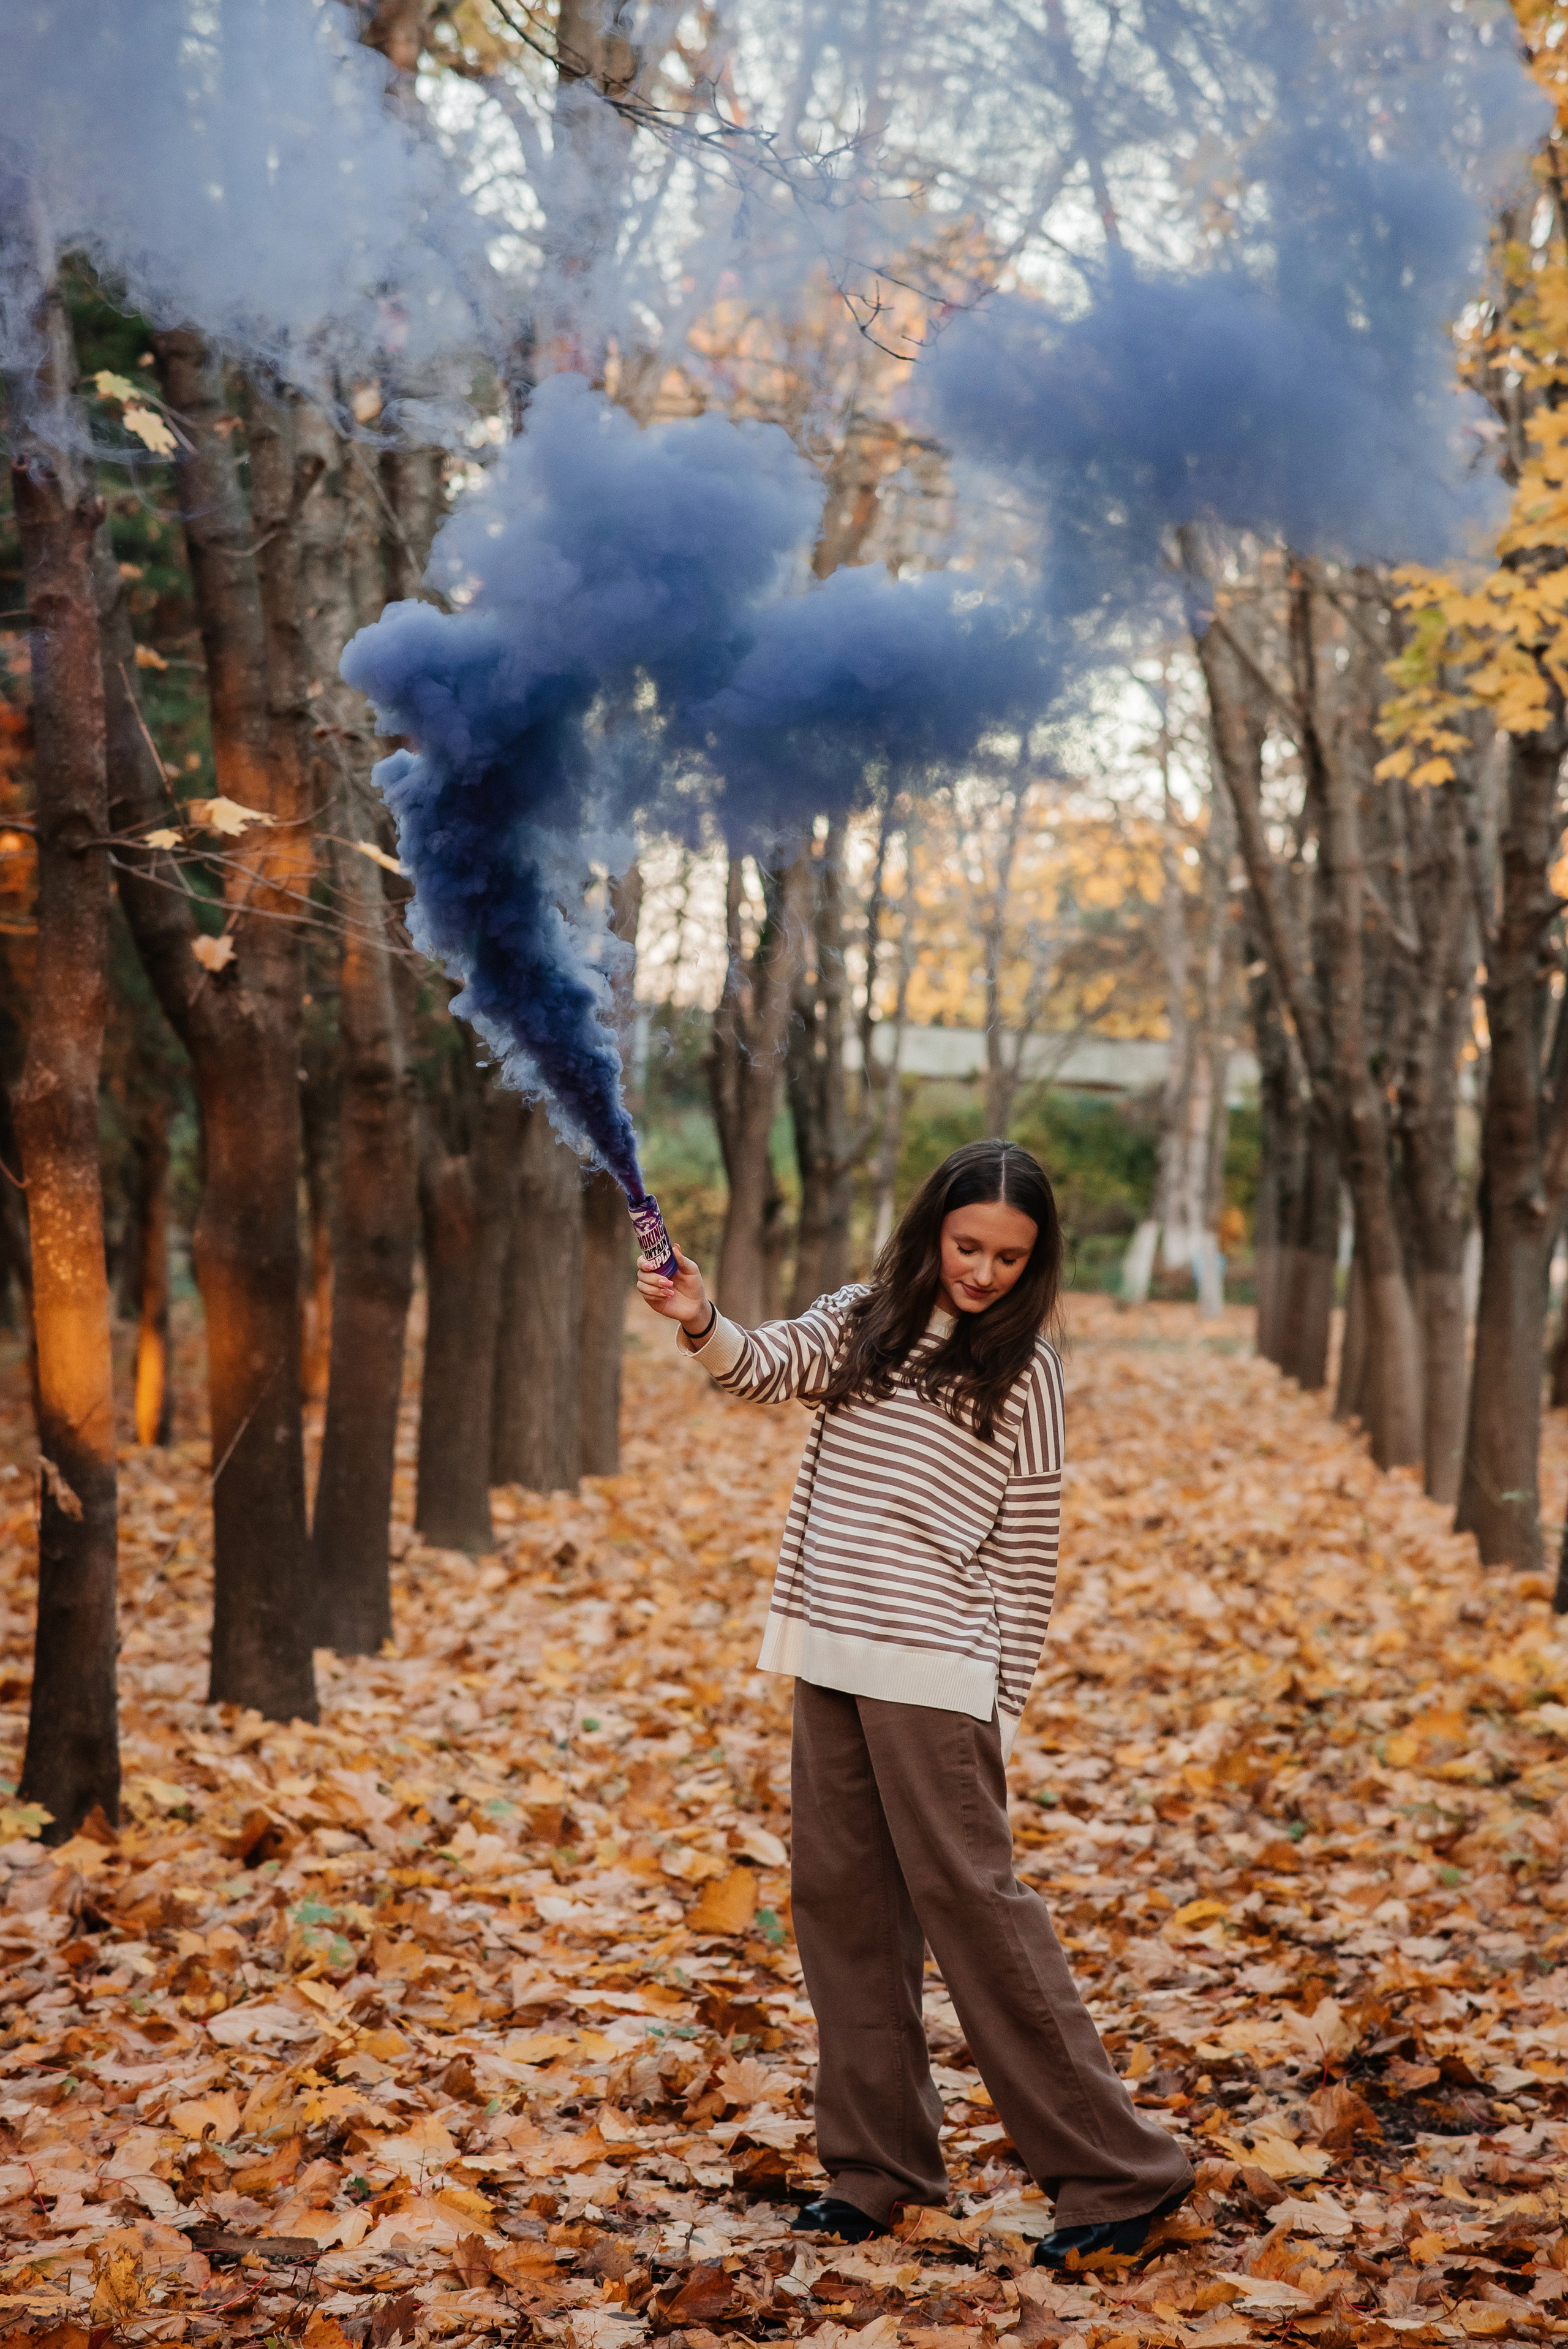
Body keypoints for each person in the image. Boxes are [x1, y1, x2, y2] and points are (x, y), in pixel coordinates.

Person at [636, 1138, 1191, 2268]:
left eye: (1008, 1256)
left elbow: (1028, 1553)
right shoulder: (863, 1321)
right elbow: (762, 1365)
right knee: (844, 1911)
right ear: (933, 1228)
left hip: (938, 1672)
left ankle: (1118, 2172)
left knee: (978, 1914)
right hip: (828, 1652)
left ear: (1033, 1265)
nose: (982, 1271)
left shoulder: (1025, 1372)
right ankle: (878, 2169)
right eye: (967, 1245)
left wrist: (1006, 1701)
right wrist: (700, 1317)